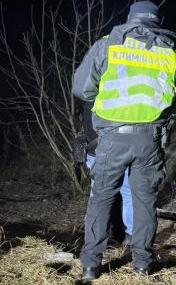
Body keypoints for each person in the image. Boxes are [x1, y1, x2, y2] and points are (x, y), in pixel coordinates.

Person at [72, 0, 176, 281]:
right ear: (156, 21)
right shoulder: (167, 51)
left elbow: (82, 89)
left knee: (101, 198)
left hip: (113, 138)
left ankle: (90, 268)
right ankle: (142, 265)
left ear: (130, 19)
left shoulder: (108, 44)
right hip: (150, 140)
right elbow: (175, 91)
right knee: (145, 202)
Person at [73, 100, 133, 245]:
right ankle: (132, 236)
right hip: (119, 146)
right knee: (128, 192)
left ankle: (95, 239)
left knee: (99, 195)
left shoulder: (89, 90)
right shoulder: (120, 87)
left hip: (94, 148)